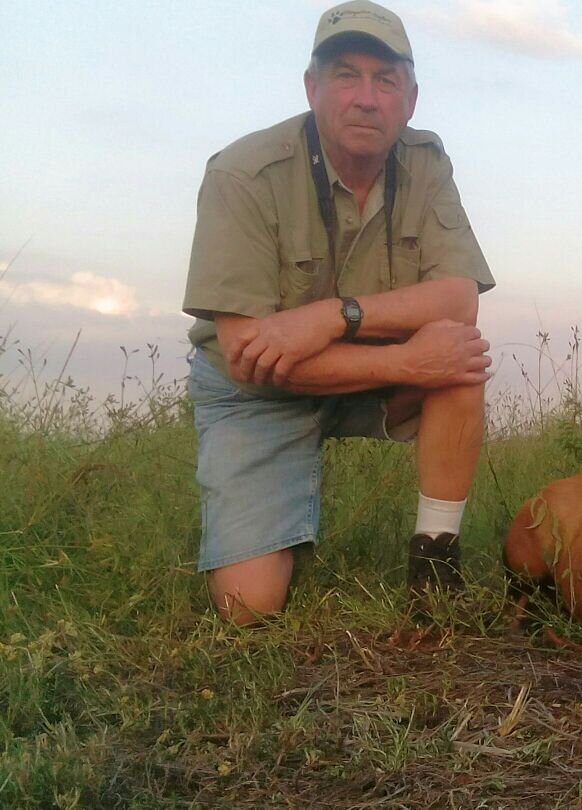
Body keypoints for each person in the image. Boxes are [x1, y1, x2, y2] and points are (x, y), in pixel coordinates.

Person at [182, 0, 494, 624]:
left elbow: (459, 297)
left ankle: (435, 565)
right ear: (312, 87)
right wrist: (409, 358)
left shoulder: (426, 162)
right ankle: (266, 520)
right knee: (249, 607)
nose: (366, 98)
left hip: (370, 367)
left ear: (410, 98)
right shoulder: (242, 172)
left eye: (386, 80)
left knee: (456, 350)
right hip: (257, 395)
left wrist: (332, 316)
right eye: (346, 75)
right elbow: (247, 359)